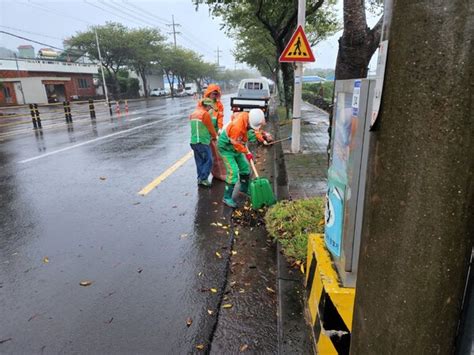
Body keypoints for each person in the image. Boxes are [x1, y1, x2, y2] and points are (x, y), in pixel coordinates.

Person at [217, 109, 266, 208]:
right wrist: (247, 152)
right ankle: (226, 197)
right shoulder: (237, 127)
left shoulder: (246, 116)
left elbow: (243, 139)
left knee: (245, 168)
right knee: (233, 172)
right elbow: (236, 144)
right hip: (226, 149)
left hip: (236, 147)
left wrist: (248, 147)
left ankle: (244, 189)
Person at [189, 98, 218, 187]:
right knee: (209, 160)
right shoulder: (205, 114)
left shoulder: (193, 113)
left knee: (199, 161)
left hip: (193, 141)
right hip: (202, 141)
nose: (210, 109)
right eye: (210, 107)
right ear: (208, 106)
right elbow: (211, 128)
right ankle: (204, 178)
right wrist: (214, 136)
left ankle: (199, 179)